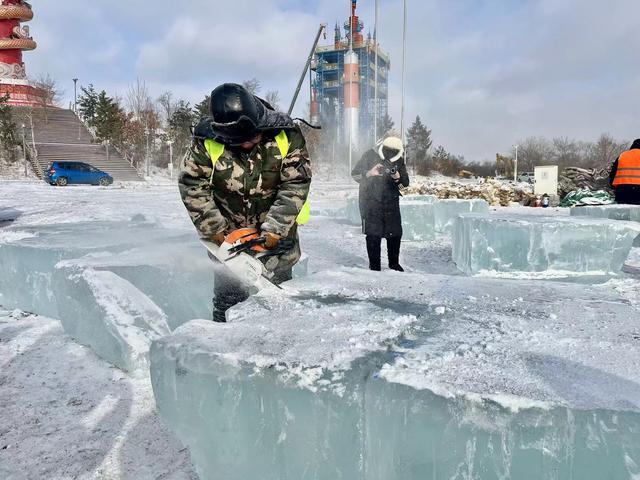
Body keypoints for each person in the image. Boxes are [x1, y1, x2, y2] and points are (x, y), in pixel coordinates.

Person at [178, 83, 312, 322]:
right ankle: (224, 350)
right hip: (229, 243)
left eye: (252, 138)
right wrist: (216, 231)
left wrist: (275, 230)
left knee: (278, 305)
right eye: (238, 142)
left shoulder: (286, 134)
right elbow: (192, 184)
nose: (247, 145)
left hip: (276, 241)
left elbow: (295, 183)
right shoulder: (206, 141)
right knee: (228, 304)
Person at [351, 135, 409, 272]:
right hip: (371, 202)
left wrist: (398, 178)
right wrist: (369, 173)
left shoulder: (399, 161)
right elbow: (354, 175)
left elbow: (404, 186)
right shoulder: (369, 155)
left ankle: (394, 263)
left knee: (395, 233)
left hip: (391, 203)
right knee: (373, 234)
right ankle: (374, 265)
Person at [610, 139, 640, 205]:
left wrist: (613, 187)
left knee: (622, 213)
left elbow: (612, 174)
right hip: (638, 193)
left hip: (622, 192)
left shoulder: (622, 155)